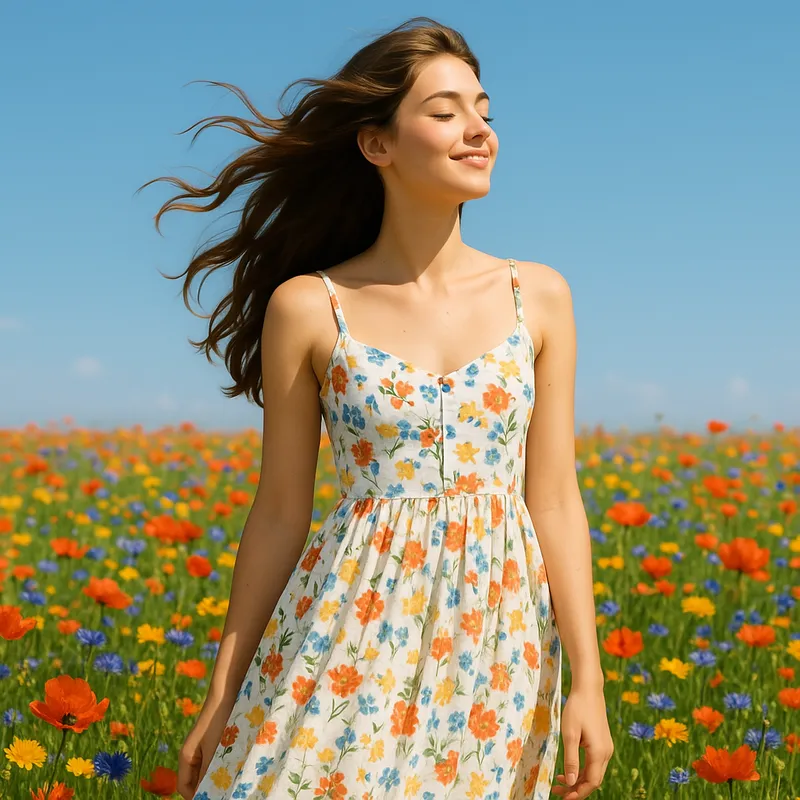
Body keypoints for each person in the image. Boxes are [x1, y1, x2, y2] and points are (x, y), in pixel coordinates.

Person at [143, 15, 612, 800]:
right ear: (377, 144)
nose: (478, 131)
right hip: (350, 624)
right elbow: (281, 513)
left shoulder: (542, 296)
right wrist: (225, 690)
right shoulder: (308, 306)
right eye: (445, 111)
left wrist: (588, 683)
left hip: (499, 644)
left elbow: (555, 499)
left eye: (485, 111)